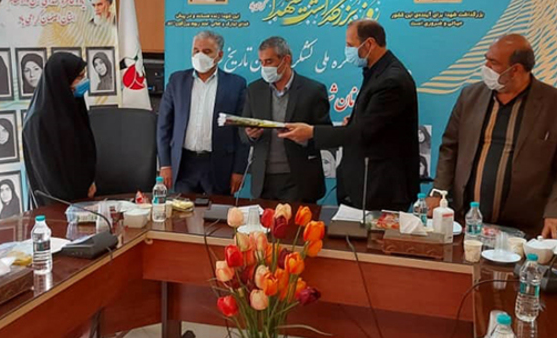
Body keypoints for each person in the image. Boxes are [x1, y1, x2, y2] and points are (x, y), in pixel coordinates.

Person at [430, 34, 557, 239]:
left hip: (525, 228)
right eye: (486, 59)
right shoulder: (470, 96)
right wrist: (438, 192)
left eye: (493, 63)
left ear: (515, 70)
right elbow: (450, 148)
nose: (485, 67)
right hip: (467, 222)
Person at [280, 20, 420, 211]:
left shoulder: (391, 80)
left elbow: (363, 132)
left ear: (369, 44)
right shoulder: (377, 72)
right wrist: (354, 121)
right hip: (365, 185)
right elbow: (375, 123)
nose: (347, 51)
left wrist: (311, 132)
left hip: (381, 189)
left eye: (350, 45)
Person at [241, 36, 331, 203]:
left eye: (269, 61)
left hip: (299, 179)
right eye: (261, 62)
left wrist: (304, 137)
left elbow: (326, 135)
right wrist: (250, 134)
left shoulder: (313, 90)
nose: (264, 67)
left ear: (286, 60)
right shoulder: (254, 90)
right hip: (263, 180)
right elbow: (242, 131)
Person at [157, 30, 248, 195]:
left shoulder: (236, 84)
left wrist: (239, 170)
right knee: (181, 209)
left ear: (219, 55)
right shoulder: (177, 81)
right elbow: (164, 125)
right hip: (183, 164)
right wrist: (165, 164)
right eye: (196, 50)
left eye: (207, 51)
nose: (200, 56)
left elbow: (242, 131)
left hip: (219, 165)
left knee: (218, 210)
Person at [23, 53, 97, 203]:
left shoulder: (72, 105)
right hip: (56, 204)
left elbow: (85, 149)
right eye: (79, 77)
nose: (84, 81)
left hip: (83, 197)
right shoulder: (37, 120)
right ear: (62, 79)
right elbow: (47, 176)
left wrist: (89, 182)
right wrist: (73, 201)